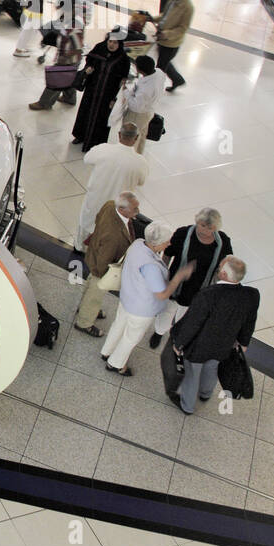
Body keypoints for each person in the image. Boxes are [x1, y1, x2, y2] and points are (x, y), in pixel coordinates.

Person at [99, 221, 197, 377]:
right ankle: (116, 364)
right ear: (157, 245)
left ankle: (106, 351)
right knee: (131, 337)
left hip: (127, 298)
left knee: (118, 324)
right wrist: (178, 277)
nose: (169, 244)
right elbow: (162, 294)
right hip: (141, 309)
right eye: (167, 241)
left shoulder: (138, 244)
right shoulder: (151, 267)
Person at [168, 256, 259, 415]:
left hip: (199, 346)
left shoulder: (208, 294)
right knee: (212, 368)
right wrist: (244, 343)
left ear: (223, 275)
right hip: (224, 346)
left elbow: (192, 323)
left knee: (192, 374)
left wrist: (178, 343)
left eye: (220, 268)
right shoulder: (251, 295)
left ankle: (187, 406)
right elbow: (249, 321)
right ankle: (205, 393)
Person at [156, 208, 234, 350]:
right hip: (176, 284)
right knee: (166, 312)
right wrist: (163, 273)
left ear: (215, 228)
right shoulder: (183, 233)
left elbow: (225, 263)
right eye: (201, 225)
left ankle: (175, 340)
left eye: (209, 227)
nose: (204, 230)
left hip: (199, 289)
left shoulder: (223, 242)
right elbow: (168, 253)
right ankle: (159, 332)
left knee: (185, 318)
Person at [73, 121, 149, 251]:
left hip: (95, 199)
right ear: (136, 138)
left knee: (86, 225)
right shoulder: (140, 162)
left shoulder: (103, 149)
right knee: (108, 235)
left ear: (119, 135)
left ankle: (79, 250)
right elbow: (141, 181)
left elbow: (87, 159)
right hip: (118, 208)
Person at [73, 191, 140, 337]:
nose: (138, 211)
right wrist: (103, 276)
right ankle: (84, 322)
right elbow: (105, 259)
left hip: (94, 255)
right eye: (134, 209)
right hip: (101, 268)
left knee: (90, 285)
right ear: (122, 209)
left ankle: (85, 309)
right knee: (95, 293)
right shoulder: (113, 235)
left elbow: (97, 219)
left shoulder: (110, 205)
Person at [71, 30, 131, 151]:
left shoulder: (123, 59)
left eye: (115, 43)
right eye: (110, 41)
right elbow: (89, 61)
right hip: (92, 90)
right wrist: (88, 69)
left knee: (101, 119)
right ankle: (80, 136)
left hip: (107, 96)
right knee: (85, 113)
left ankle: (95, 143)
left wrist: (116, 99)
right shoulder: (99, 48)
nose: (111, 45)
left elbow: (123, 82)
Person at [28, 21, 84, 110]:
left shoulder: (75, 27)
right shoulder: (68, 23)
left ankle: (44, 103)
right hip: (66, 58)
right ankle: (69, 98)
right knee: (68, 77)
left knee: (55, 79)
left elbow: (78, 48)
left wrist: (65, 57)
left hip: (69, 59)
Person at [117, 55, 166, 154]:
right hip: (149, 112)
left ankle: (128, 158)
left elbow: (135, 106)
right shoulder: (159, 73)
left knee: (130, 138)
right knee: (142, 135)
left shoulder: (146, 90)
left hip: (137, 115)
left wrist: (125, 91)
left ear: (140, 70)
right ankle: (138, 154)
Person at [152, 0, 192, 92]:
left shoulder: (188, 8)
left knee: (160, 68)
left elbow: (182, 29)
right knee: (164, 61)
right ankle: (177, 79)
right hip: (162, 38)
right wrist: (152, 19)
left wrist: (166, 34)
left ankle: (155, 91)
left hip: (171, 43)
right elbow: (164, 16)